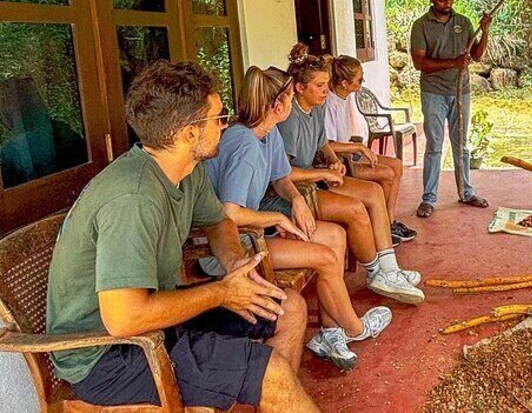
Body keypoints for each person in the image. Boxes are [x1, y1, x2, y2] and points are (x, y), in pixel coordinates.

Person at [46, 61, 317, 412]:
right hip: (108, 357)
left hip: (156, 318)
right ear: (189, 133)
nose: (226, 125)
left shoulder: (185, 170)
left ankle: (267, 397)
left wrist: (234, 265)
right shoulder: (134, 197)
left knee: (288, 308)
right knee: (271, 372)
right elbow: (124, 318)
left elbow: (219, 221)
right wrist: (222, 291)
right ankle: (267, 387)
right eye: (219, 118)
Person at [203, 65, 392, 371]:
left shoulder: (268, 133)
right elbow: (231, 213)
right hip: (232, 247)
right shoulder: (244, 144)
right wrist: (275, 218)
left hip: (255, 233)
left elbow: (282, 177)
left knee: (334, 235)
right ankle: (356, 329)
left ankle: (330, 333)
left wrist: (295, 200)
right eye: (289, 97)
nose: (291, 104)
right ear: (277, 105)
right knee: (326, 258)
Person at [274, 43, 425, 305]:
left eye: (326, 84)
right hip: (298, 191)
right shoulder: (290, 118)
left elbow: (322, 143)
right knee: (355, 209)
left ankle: (390, 268)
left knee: (374, 191)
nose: (326, 91)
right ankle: (376, 273)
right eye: (320, 86)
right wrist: (321, 172)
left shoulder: (316, 108)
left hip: (317, 178)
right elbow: (282, 174)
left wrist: (332, 160)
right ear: (299, 88)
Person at [410, 0, 491, 219]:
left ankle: (466, 192)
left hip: (461, 91)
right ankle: (428, 199)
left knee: (461, 145)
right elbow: (419, 62)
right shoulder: (421, 25)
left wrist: (485, 30)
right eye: (442, 0)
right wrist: (452, 63)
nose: (447, 3)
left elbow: (476, 55)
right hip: (433, 92)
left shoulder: (464, 23)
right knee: (435, 145)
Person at [323, 54, 417, 244]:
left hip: (350, 154)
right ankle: (381, 227)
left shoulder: (344, 98)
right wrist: (358, 147)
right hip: (340, 160)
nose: (362, 82)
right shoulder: (329, 105)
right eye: (359, 79)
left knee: (396, 165)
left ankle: (389, 222)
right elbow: (327, 144)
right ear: (344, 83)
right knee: (387, 174)